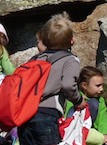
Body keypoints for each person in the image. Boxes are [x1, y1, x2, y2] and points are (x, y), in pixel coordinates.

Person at [18, 14, 86, 145]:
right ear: (72, 41)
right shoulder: (70, 60)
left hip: (25, 116)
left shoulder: (35, 59)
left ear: (44, 40)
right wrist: (78, 100)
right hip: (47, 115)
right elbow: (67, 85)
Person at [64, 66, 107, 145]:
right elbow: (69, 118)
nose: (102, 89)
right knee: (93, 103)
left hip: (96, 135)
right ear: (84, 86)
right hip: (78, 134)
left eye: (102, 85)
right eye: (98, 86)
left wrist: (106, 135)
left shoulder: (100, 100)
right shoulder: (74, 99)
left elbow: (103, 121)